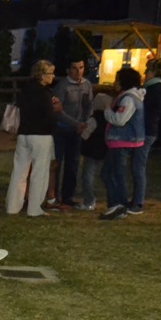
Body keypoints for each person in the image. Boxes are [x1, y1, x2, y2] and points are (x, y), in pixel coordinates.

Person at [4, 60, 59, 217]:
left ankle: (12, 206)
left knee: (19, 171)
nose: (53, 76)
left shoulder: (25, 90)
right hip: (41, 136)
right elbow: (49, 117)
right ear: (41, 75)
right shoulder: (44, 93)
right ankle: (34, 208)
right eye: (50, 73)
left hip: (24, 134)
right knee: (39, 172)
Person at [99, 67, 146, 220]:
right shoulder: (132, 97)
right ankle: (117, 205)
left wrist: (107, 110)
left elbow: (119, 120)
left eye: (117, 80)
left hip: (121, 141)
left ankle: (118, 205)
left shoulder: (128, 99)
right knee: (112, 173)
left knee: (112, 174)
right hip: (125, 141)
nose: (114, 83)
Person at [49, 60, 93, 209]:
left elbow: (89, 105)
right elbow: (58, 111)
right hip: (61, 130)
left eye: (81, 68)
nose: (78, 71)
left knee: (73, 165)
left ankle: (68, 197)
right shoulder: (62, 86)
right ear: (68, 70)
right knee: (56, 164)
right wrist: (76, 124)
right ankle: (53, 196)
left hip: (77, 131)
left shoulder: (87, 85)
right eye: (74, 68)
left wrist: (85, 122)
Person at [136, 58, 161, 212]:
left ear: (154, 72)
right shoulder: (160, 87)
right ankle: (137, 199)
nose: (145, 73)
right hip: (149, 130)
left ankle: (138, 202)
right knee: (138, 165)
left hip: (146, 130)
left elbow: (144, 109)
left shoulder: (154, 89)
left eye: (148, 70)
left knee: (138, 166)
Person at [76, 93, 111, 212]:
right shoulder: (110, 119)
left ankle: (89, 201)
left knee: (88, 176)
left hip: (91, 151)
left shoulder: (94, 119)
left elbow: (85, 134)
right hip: (106, 150)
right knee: (107, 175)